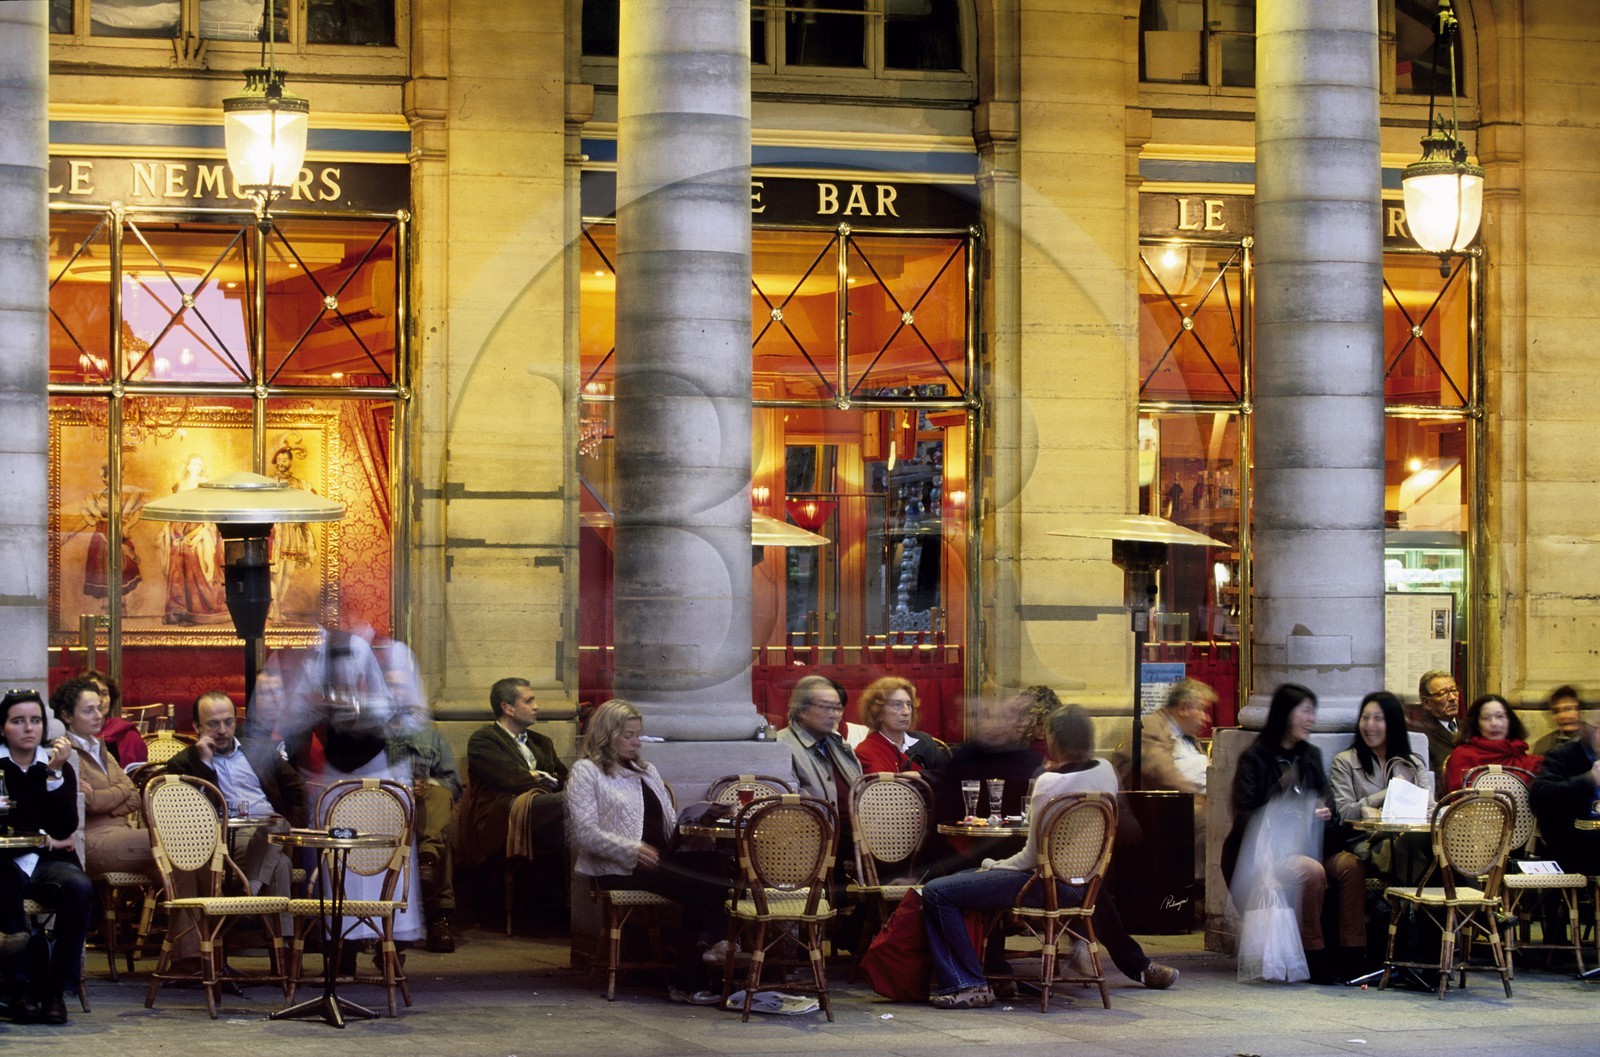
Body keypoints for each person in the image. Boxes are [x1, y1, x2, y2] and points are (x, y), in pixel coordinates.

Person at [919, 705, 1179, 1009]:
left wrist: (991, 866)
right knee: (1071, 884)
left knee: (938, 892)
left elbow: (1028, 860)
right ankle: (1137, 966)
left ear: (1054, 738)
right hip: (1083, 883)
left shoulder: (1048, 783)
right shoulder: (1106, 771)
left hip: (1043, 885)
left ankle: (969, 984)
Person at [566, 698, 728, 1005]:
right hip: (618, 866)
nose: (635, 742)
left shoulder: (646, 770)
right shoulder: (586, 772)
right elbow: (584, 833)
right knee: (701, 886)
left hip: (659, 860)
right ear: (607, 733)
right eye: (628, 735)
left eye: (637, 735)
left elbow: (666, 821)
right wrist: (632, 849)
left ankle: (699, 967)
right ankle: (707, 954)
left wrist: (691, 832)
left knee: (714, 865)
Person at [1220, 683, 1365, 984]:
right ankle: (1313, 952)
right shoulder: (1255, 757)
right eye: (1306, 712)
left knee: (1350, 866)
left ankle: (1354, 952)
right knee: (1309, 870)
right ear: (1286, 714)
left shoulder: (1310, 755)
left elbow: (1328, 803)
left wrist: (1327, 813)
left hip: (1315, 844)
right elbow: (1246, 813)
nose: (1311, 720)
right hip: (1271, 854)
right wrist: (1291, 806)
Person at [0, 689, 92, 1025]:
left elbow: (65, 824)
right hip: (6, 863)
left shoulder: (57, 766)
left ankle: (55, 991)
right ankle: (19, 989)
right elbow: (24, 818)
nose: (29, 728)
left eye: (35, 720)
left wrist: (52, 772)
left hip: (47, 865)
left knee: (79, 888)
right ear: (3, 728)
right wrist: (48, 840)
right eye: (18, 721)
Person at [163, 690, 308, 897]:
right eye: (213, 724)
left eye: (228, 722)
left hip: (273, 833)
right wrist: (205, 764)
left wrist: (293, 829)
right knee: (281, 864)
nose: (222, 730)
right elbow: (190, 814)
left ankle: (249, 895)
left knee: (277, 825)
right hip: (225, 839)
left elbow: (297, 790)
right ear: (197, 727)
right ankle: (274, 923)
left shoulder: (260, 752)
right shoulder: (183, 763)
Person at [455, 678, 568, 924]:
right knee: (569, 805)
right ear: (508, 707)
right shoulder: (483, 740)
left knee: (575, 821)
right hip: (502, 816)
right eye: (529, 701)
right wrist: (539, 779)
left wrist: (537, 776)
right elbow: (511, 779)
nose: (536, 706)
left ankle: (572, 906)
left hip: (544, 812)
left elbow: (564, 778)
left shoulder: (542, 742)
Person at [51, 676, 156, 877]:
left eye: (99, 708)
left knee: (186, 865)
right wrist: (120, 793)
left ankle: (188, 909)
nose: (98, 715)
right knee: (176, 840)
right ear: (66, 715)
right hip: (93, 841)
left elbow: (134, 795)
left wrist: (107, 803)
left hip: (125, 835)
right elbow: (89, 802)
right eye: (89, 710)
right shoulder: (65, 752)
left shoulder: (101, 748)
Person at [1329, 691, 1433, 886]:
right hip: (1369, 843)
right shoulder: (1345, 762)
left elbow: (1429, 808)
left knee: (1448, 846)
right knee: (1419, 852)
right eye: (1365, 718)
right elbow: (1343, 813)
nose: (1369, 726)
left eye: (1378, 719)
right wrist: (1389, 793)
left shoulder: (1412, 763)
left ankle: (1478, 906)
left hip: (1412, 838)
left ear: (1393, 723)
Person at [390, 723, 461, 952]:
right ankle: (427, 861)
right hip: (385, 804)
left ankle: (427, 862)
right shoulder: (371, 734)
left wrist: (429, 784)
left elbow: (453, 783)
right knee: (439, 839)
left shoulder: (432, 737)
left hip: (424, 806)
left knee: (440, 796)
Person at [157, 453, 230, 625]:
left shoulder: (207, 485)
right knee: (177, 560)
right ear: (187, 466)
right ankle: (179, 607)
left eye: (199, 464)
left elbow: (211, 511)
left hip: (201, 526)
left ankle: (200, 609)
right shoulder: (180, 485)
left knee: (196, 557)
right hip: (180, 527)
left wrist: (202, 530)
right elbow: (173, 508)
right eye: (193, 464)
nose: (196, 467)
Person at [777, 674, 863, 816]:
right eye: (826, 708)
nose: (834, 714)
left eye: (837, 708)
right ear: (801, 711)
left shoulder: (839, 743)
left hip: (859, 834)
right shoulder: (781, 747)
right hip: (817, 834)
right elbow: (790, 807)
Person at [1529, 716, 1600, 876]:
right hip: (1573, 844)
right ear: (1594, 732)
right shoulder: (1565, 755)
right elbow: (1539, 798)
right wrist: (1588, 779)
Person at [1443, 693, 1542, 793]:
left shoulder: (1528, 761)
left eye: (1500, 716)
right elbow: (1459, 800)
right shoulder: (1462, 756)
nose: (1494, 723)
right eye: (1486, 718)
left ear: (1510, 721)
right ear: (1477, 724)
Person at [852, 676, 951, 774]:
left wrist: (921, 776)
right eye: (897, 705)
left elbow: (950, 774)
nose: (906, 712)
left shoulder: (924, 741)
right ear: (878, 712)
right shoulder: (866, 751)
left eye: (909, 704)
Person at [82, 668, 147, 768]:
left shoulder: (126, 734)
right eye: (94, 693)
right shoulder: (71, 735)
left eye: (104, 693)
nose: (100, 699)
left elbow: (139, 774)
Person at [1407, 669, 1461, 781]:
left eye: (1454, 690)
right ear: (1426, 702)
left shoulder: (1469, 728)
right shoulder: (1419, 733)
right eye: (1443, 693)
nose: (1452, 698)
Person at [1532, 685, 1586, 757]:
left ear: (1579, 711)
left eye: (1568, 709)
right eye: (1556, 711)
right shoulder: (1544, 745)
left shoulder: (1595, 739)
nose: (1562, 716)